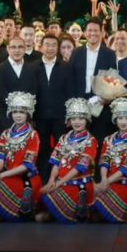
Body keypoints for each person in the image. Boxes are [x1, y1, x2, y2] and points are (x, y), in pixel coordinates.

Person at [38, 97, 99, 223]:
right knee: (39, 210)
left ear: (87, 120)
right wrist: (51, 180)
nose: (77, 122)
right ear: (69, 120)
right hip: (61, 182)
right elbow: (56, 161)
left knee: (44, 213)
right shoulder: (63, 138)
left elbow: (79, 167)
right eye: (74, 118)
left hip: (78, 185)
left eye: (81, 118)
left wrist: (58, 184)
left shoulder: (91, 140)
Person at [0, 91, 41, 222]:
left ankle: (14, 212)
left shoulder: (33, 135)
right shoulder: (5, 133)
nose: (18, 115)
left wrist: (1, 175)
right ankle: (8, 212)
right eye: (15, 112)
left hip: (26, 178)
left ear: (28, 114)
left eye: (22, 112)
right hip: (9, 177)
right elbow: (0, 159)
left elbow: (27, 166)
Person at [91, 97, 127, 223]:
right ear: (115, 119)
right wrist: (103, 179)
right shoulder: (108, 140)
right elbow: (104, 161)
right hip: (109, 182)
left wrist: (105, 182)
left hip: (126, 184)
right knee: (91, 198)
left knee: (99, 199)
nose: (123, 122)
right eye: (120, 118)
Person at [68, 18, 117, 141]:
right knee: (79, 140)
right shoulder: (76, 52)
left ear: (102, 33)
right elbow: (70, 78)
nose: (93, 33)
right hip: (79, 102)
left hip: (100, 104)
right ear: (84, 33)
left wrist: (106, 98)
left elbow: (113, 79)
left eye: (96, 31)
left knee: (99, 139)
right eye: (90, 30)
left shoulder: (110, 54)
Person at [35, 33, 73, 178]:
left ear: (57, 48)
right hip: (40, 116)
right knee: (42, 148)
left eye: (53, 45)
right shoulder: (33, 67)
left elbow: (71, 92)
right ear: (41, 47)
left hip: (60, 116)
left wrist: (70, 115)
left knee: (62, 147)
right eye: (47, 45)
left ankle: (61, 177)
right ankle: (44, 178)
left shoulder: (66, 67)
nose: (50, 48)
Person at [0, 34, 38, 146]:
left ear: (25, 49)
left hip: (26, 116)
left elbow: (34, 90)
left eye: (20, 47)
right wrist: (15, 109)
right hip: (5, 116)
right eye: (13, 47)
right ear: (8, 49)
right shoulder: (1, 68)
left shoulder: (32, 68)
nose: (17, 50)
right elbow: (1, 91)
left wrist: (24, 110)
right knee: (6, 147)